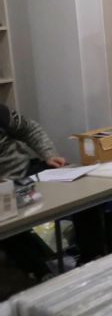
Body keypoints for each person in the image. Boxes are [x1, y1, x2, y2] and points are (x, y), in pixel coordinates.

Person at [0, 104, 66, 280]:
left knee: (86, 192)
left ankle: (92, 257)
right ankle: (42, 273)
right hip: (3, 190)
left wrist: (49, 154)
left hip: (26, 173)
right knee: (8, 224)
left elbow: (29, 129)